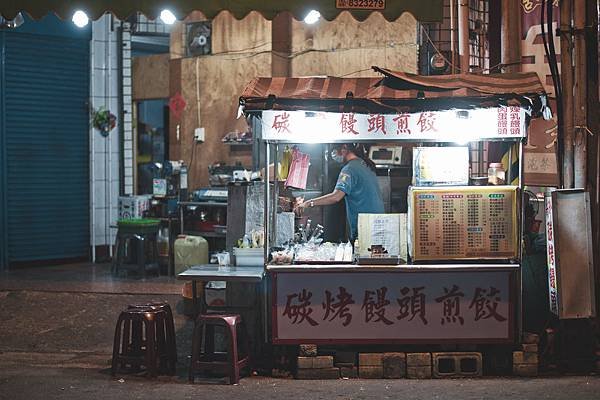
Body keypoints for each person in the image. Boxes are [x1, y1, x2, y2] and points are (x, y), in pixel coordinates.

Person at [295, 143, 384, 240]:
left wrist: (309, 203)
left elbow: (336, 197)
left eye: (334, 150)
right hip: (376, 224)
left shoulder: (349, 169)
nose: (334, 154)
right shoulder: (364, 164)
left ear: (344, 148)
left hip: (365, 227)